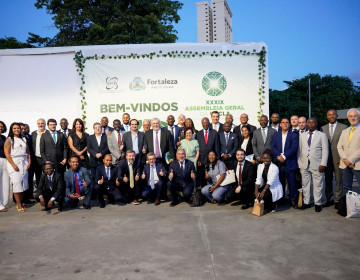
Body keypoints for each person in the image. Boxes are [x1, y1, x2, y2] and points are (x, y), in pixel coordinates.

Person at [298, 118, 329, 212]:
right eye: (309, 122)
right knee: (305, 184)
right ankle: (307, 202)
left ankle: (318, 203)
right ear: (307, 124)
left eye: (313, 122)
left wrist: (323, 163)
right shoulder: (302, 135)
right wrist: (299, 162)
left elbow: (325, 150)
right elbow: (299, 150)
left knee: (318, 184)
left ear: (316, 124)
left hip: (317, 164)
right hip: (304, 164)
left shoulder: (322, 135)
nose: (311, 124)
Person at [321, 109, 347, 208]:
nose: (331, 116)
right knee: (327, 180)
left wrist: (342, 158)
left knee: (339, 179)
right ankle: (329, 199)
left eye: (333, 114)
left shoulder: (344, 127)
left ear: (337, 116)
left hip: (338, 158)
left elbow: (345, 144)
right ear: (327, 116)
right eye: (329, 115)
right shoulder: (322, 128)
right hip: (326, 159)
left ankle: (338, 200)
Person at [272, 117, 299, 208]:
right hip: (279, 163)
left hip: (290, 162)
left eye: (287, 122)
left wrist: (284, 156)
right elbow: (273, 147)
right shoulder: (276, 135)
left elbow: (294, 148)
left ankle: (293, 200)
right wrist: (279, 156)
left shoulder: (293, 135)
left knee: (292, 183)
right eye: (283, 122)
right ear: (280, 124)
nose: (285, 124)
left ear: (289, 124)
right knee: (280, 183)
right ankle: (281, 199)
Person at [4, 123, 31, 212]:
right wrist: (13, 165)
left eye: (18, 128)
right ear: (11, 129)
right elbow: (7, 153)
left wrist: (29, 162)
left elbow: (28, 152)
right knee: (17, 183)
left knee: (23, 184)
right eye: (14, 128)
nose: (16, 130)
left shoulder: (23, 139)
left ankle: (21, 201)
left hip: (24, 162)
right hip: (14, 162)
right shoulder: (9, 139)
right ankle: (18, 204)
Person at [337, 108, 360, 195]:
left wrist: (350, 160)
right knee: (346, 187)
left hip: (357, 164)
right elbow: (339, 146)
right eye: (350, 116)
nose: (353, 118)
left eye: (355, 116)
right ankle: (347, 207)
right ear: (348, 118)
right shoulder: (344, 131)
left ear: (359, 117)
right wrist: (345, 159)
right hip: (345, 164)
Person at [196, 117, 220, 187]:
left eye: (206, 123)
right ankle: (204, 195)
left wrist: (217, 160)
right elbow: (197, 149)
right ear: (201, 124)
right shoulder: (198, 134)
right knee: (203, 179)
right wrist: (198, 159)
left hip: (212, 161)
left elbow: (217, 147)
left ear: (209, 123)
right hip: (202, 161)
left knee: (212, 179)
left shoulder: (214, 133)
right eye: (203, 123)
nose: (205, 124)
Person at [21, 123, 35, 202]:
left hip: (31, 160)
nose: (25, 130)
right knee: (23, 179)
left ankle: (30, 194)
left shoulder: (31, 136)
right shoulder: (20, 138)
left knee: (30, 178)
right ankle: (23, 197)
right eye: (23, 128)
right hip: (23, 161)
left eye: (27, 128)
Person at [31, 118, 46, 186]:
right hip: (36, 158)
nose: (40, 125)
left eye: (42, 123)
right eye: (39, 123)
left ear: (45, 124)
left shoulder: (48, 133)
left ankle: (47, 190)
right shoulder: (33, 133)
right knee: (38, 175)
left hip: (46, 158)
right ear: (37, 124)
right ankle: (39, 191)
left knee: (47, 174)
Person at [0, 121, 10, 212]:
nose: (0, 128)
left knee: (5, 182)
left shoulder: (3, 137)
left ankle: (4, 203)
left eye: (2, 127)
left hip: (5, 160)